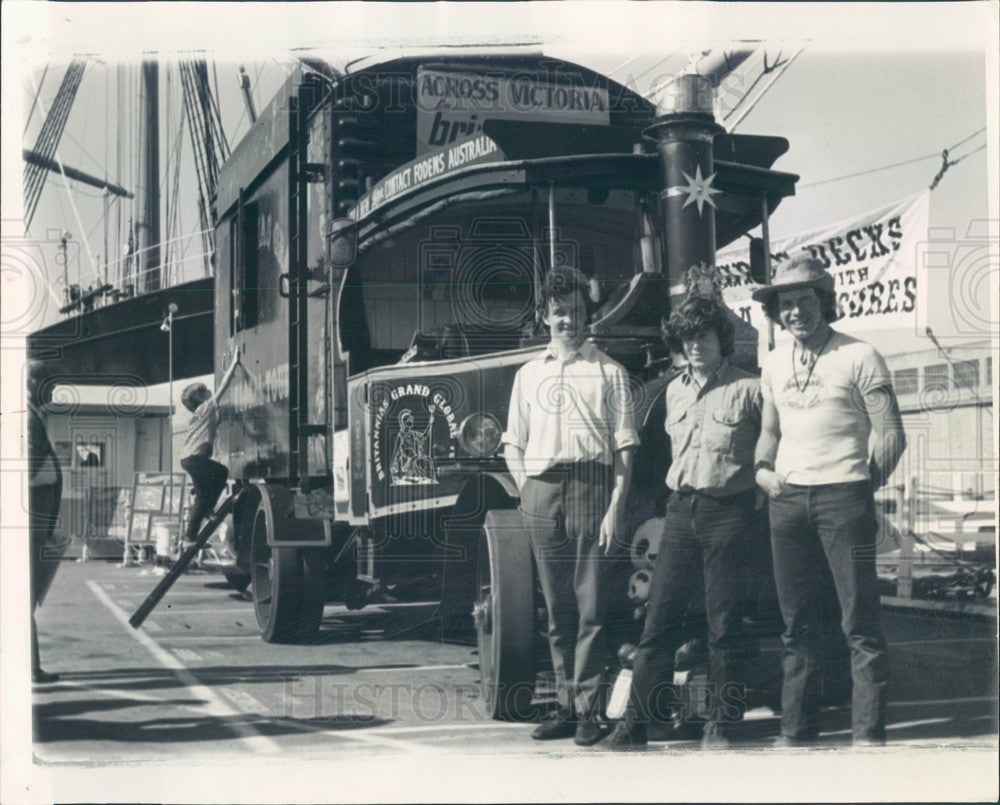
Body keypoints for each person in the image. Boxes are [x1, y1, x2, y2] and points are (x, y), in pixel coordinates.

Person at [751, 253, 906, 746]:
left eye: (803, 300)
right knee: (798, 625)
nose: (794, 311)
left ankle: (867, 738)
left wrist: (863, 485)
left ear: (823, 300)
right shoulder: (774, 362)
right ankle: (797, 733)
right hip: (788, 501)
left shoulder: (860, 355)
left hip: (844, 497)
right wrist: (762, 472)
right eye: (785, 304)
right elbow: (769, 432)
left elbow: (892, 434)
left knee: (858, 623)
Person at [608, 296, 763, 750]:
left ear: (722, 339)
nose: (696, 344)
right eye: (688, 336)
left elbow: (772, 447)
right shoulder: (673, 391)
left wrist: (754, 498)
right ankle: (633, 724)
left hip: (728, 514)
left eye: (705, 335)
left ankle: (720, 724)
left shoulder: (750, 389)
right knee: (658, 621)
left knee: (724, 622)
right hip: (680, 512)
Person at [502, 265, 639, 746]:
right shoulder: (527, 375)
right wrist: (525, 490)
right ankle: (564, 705)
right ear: (546, 316)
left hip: (591, 488)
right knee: (556, 606)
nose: (568, 321)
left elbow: (625, 450)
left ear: (588, 316)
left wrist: (616, 505)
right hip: (541, 491)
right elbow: (511, 443)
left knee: (591, 605)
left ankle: (589, 711)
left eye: (577, 312)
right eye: (560, 312)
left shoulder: (610, 372)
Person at [179, 348, 241, 563]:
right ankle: (189, 536)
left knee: (205, 493)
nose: (209, 391)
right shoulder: (205, 407)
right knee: (220, 473)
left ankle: (202, 514)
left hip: (191, 459)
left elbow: (215, 424)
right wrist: (233, 363)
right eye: (205, 390)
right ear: (200, 397)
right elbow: (223, 388)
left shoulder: (205, 414)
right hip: (195, 459)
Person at [27, 362, 67, 683]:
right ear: (31, 381)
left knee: (26, 592)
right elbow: (26, 471)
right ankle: (31, 667)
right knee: (24, 593)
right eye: (49, 383)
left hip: (38, 520)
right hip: (30, 520)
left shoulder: (35, 416)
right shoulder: (27, 418)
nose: (53, 389)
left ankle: (32, 666)